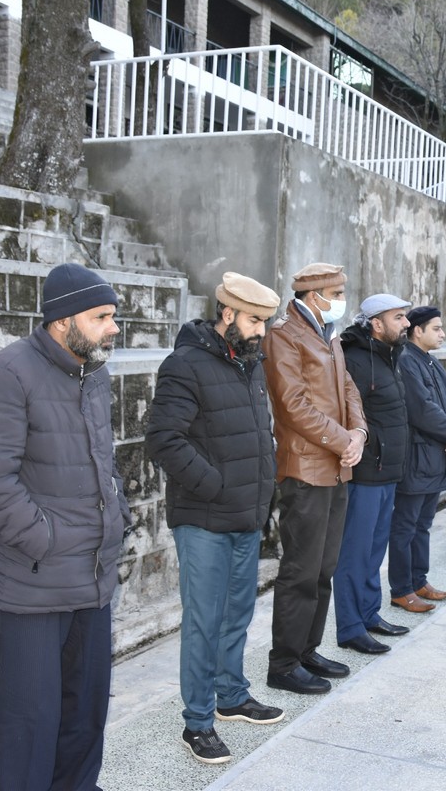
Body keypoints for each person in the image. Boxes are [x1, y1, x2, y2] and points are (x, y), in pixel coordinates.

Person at [0, 263, 130, 790]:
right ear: (62, 321)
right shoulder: (6, 374)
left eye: (113, 316)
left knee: (85, 714)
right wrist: (46, 540)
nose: (113, 327)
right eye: (101, 317)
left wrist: (117, 515)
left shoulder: (93, 373)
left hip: (93, 578)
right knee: (30, 724)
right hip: (33, 583)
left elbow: (102, 462)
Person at [146, 272, 284, 764]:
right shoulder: (184, 364)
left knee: (237, 614)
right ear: (227, 313)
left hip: (247, 514)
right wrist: (216, 485)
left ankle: (232, 696)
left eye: (266, 322)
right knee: (204, 623)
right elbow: (164, 439)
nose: (261, 331)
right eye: (254, 320)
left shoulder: (250, 362)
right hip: (204, 517)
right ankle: (198, 723)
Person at [264, 263, 367, 696]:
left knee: (324, 567)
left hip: (337, 465)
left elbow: (348, 389)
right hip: (305, 468)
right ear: (314, 295)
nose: (342, 299)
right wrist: (343, 440)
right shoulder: (284, 335)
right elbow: (292, 405)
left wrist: (358, 433)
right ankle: (284, 663)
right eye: (337, 292)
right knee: (301, 570)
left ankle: (308, 650)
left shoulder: (328, 334)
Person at [334, 293, 414, 656]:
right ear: (376, 324)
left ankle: (369, 614)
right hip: (366, 471)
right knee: (355, 552)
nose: (406, 323)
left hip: (388, 471)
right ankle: (350, 627)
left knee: (374, 550)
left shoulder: (389, 355)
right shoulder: (353, 358)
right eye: (399, 317)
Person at [389, 306, 446, 614]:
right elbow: (422, 410)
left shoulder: (430, 361)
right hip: (417, 457)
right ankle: (401, 589)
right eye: (436, 328)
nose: (443, 334)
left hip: (437, 455)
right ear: (417, 330)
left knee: (423, 524)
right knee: (405, 526)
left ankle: (419, 581)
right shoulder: (407, 361)